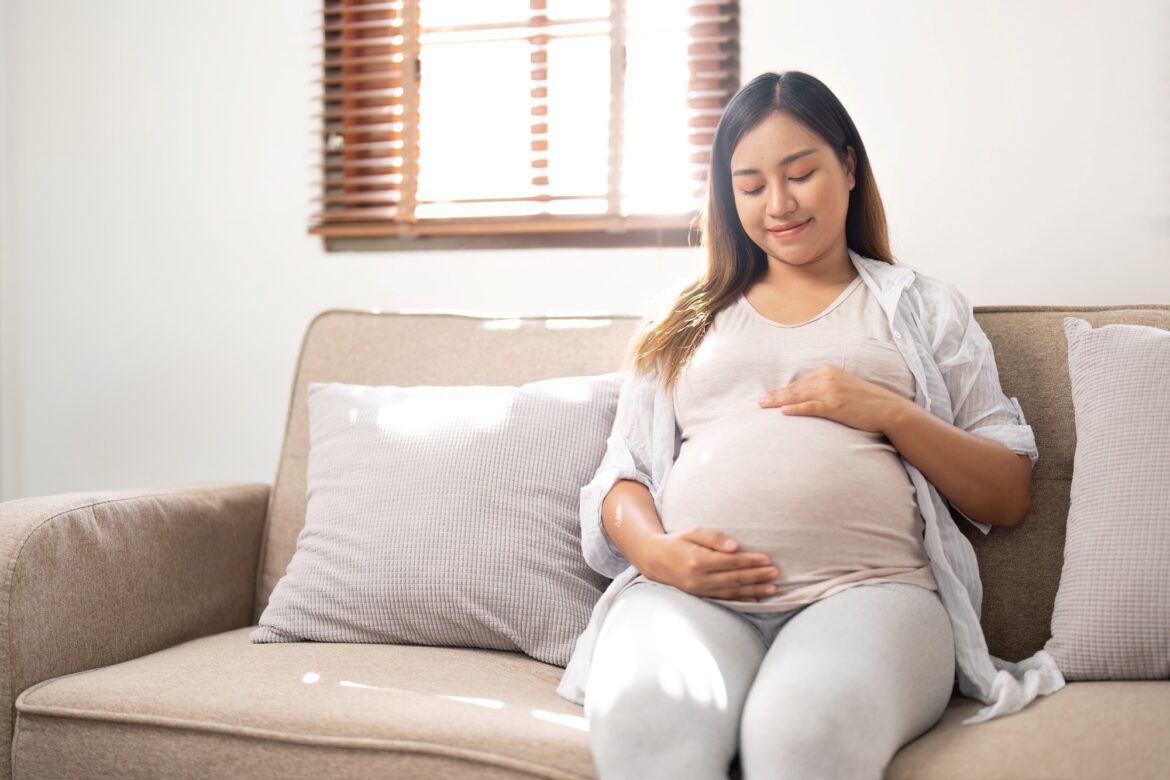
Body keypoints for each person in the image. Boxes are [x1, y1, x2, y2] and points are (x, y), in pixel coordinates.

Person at [553, 71, 1066, 779]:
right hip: (690, 600)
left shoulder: (921, 307)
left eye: (800, 174)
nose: (779, 204)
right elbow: (623, 474)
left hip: (868, 593)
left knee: (800, 733)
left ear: (848, 167)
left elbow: (1008, 491)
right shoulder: (681, 320)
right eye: (752, 185)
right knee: (646, 719)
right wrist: (657, 554)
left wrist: (887, 410)